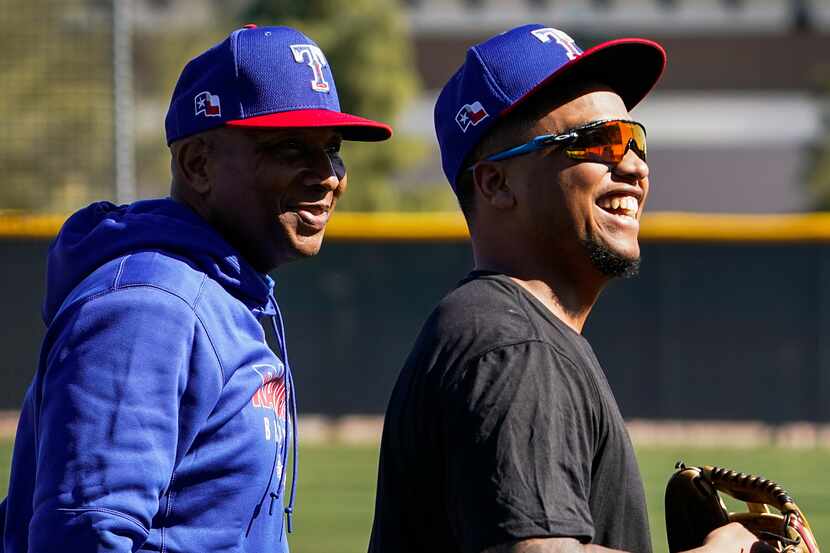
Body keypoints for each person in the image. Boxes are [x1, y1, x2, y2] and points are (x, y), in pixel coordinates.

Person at [368, 24, 762, 553]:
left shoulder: (512, 330)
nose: (632, 165)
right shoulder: (514, 347)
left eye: (634, 139)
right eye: (596, 142)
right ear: (496, 183)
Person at [1, 24, 390, 552]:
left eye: (333, 148)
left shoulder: (222, 296)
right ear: (198, 164)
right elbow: (84, 534)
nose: (327, 175)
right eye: (290, 147)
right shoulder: (148, 309)